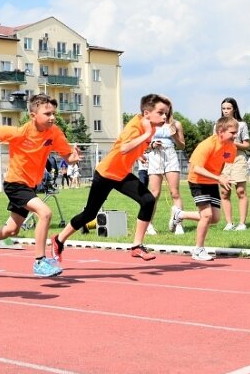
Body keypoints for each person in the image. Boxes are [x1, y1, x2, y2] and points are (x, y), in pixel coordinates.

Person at [0, 94, 80, 277]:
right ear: (33, 115)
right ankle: (39, 261)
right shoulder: (20, 132)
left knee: (12, 229)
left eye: (53, 113)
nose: (52, 117)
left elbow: (68, 157)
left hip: (30, 186)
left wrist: (73, 158)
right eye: (47, 114)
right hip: (15, 183)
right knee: (45, 213)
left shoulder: (55, 133)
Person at [51, 94, 171, 263]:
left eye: (166, 113)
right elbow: (123, 148)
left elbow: (130, 148)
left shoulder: (148, 125)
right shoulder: (137, 127)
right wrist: (145, 137)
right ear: (146, 113)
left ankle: (137, 246)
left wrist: (140, 155)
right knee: (89, 214)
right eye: (161, 112)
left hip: (121, 175)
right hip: (106, 173)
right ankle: (59, 239)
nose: (165, 116)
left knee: (148, 200)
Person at [168, 117, 238, 261]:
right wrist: (219, 178)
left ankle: (180, 215)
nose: (235, 135)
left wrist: (223, 176)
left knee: (215, 218)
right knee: (206, 215)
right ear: (220, 131)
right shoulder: (206, 145)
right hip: (197, 180)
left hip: (212, 181)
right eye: (232, 132)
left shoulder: (231, 146)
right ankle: (198, 250)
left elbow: (224, 163)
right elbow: (196, 168)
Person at [146, 109, 185, 235]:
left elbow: (182, 146)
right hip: (155, 155)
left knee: (175, 193)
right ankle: (149, 224)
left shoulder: (176, 124)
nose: (164, 114)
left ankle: (178, 224)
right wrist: (152, 145)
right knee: (155, 193)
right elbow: (143, 145)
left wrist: (174, 135)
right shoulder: (150, 124)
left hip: (170, 155)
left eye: (166, 110)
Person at [218, 97, 250, 231]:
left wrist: (233, 142)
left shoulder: (241, 125)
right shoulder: (217, 125)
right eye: (223, 108)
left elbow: (247, 145)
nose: (225, 111)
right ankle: (229, 223)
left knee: (240, 191)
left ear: (234, 109)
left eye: (228, 108)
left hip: (238, 158)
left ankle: (242, 223)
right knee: (225, 192)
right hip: (224, 159)